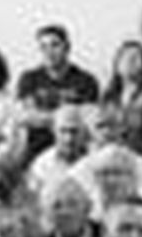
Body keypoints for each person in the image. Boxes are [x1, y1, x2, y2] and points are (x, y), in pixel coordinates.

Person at [16, 24, 102, 159]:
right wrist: (68, 116)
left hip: (76, 151)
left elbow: (88, 119)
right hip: (37, 150)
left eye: (55, 45)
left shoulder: (86, 80)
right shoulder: (29, 78)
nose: (49, 51)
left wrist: (44, 117)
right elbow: (26, 117)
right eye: (43, 47)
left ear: (67, 47)